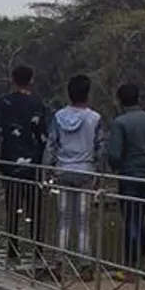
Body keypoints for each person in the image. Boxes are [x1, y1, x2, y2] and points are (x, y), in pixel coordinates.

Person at [0, 65, 49, 266]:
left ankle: (13, 253)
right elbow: (43, 136)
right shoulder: (37, 103)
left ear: (12, 79)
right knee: (35, 210)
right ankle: (38, 254)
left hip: (10, 164)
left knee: (12, 208)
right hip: (34, 166)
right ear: (31, 80)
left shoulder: (3, 102)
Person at [44, 74, 105, 279]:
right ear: (87, 94)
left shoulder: (58, 116)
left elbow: (51, 145)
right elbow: (100, 149)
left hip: (63, 170)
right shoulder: (95, 118)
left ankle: (58, 263)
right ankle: (85, 265)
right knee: (83, 220)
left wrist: (47, 170)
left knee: (64, 219)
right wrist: (100, 174)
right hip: (86, 171)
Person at [107, 83, 145, 277]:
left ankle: (130, 269)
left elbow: (114, 155)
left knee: (130, 220)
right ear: (138, 99)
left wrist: (116, 165)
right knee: (140, 218)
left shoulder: (120, 123)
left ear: (119, 101)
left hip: (128, 176)